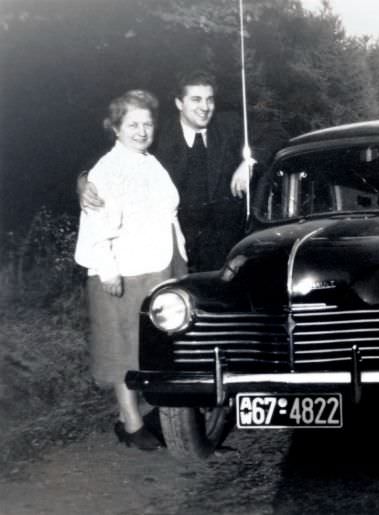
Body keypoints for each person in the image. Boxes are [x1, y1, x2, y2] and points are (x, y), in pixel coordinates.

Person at [75, 90, 188, 450]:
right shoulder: (107, 170)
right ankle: (131, 422)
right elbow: (96, 224)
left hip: (160, 265)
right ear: (116, 128)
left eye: (147, 123)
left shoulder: (150, 162)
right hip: (124, 271)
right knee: (123, 348)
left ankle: (151, 412)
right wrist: (108, 271)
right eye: (133, 124)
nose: (141, 131)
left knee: (152, 347)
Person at [79, 69, 254, 272]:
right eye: (196, 99)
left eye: (210, 100)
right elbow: (104, 157)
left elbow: (276, 133)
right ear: (179, 103)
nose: (205, 107)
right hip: (171, 252)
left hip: (224, 250)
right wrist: (83, 182)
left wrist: (248, 162)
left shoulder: (229, 124)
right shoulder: (156, 132)